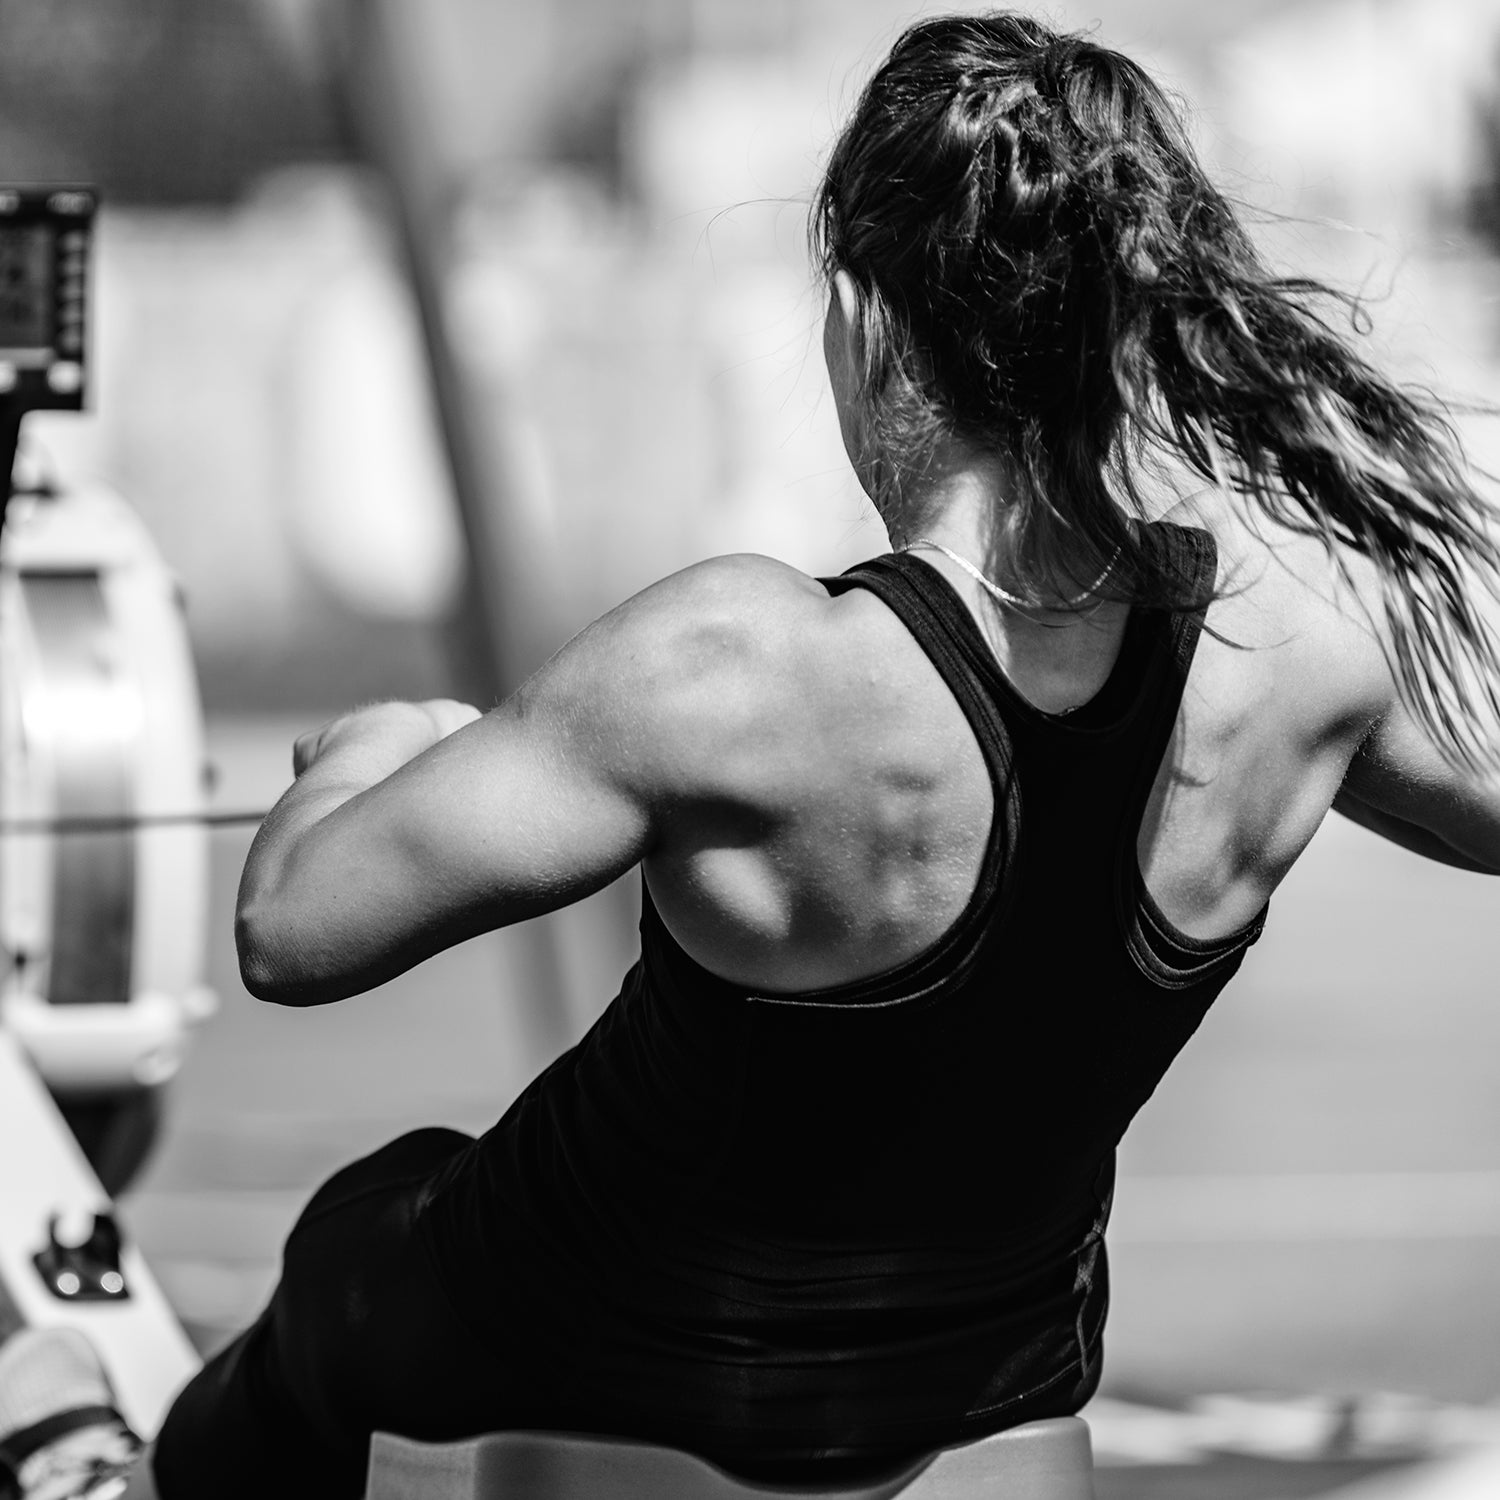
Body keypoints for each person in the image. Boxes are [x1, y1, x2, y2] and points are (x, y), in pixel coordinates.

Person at [12, 9, 1500, 1499]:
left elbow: (290, 930)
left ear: (863, 320)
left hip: (587, 1356)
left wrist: (366, 753)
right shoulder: (1293, 660)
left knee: (359, 1239)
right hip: (985, 1395)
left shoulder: (733, 668)